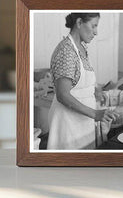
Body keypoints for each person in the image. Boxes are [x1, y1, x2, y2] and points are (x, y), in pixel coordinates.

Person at [47, 13, 118, 150]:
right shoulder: (66, 51)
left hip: (83, 120)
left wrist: (95, 91)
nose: (96, 32)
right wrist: (95, 114)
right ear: (79, 23)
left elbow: (79, 82)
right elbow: (63, 95)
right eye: (94, 26)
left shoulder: (81, 47)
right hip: (68, 123)